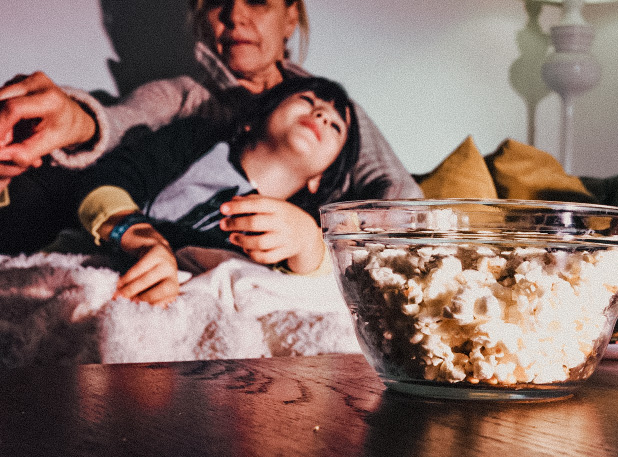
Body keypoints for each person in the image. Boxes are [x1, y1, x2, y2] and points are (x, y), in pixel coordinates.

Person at [0, 0, 421, 253]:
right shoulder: (185, 97)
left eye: (258, 0)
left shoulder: (337, 113)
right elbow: (120, 121)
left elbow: (402, 200)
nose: (235, 15)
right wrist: (76, 120)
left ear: (291, 17)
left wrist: (315, 246)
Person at [71, 75, 359, 306]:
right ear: (254, 119)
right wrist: (140, 238)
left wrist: (307, 240)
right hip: (102, 268)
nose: (322, 114)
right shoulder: (196, 139)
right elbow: (105, 180)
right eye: (308, 100)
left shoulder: (307, 226)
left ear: (319, 179)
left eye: (335, 125)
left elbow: (325, 275)